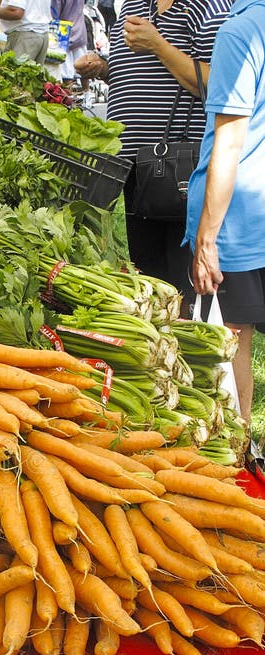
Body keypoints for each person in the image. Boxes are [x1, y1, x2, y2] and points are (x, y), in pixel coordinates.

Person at [74, 0, 232, 307]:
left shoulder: (208, 7)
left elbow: (218, 82)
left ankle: (195, 341)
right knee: (150, 276)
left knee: (184, 278)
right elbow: (134, 76)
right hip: (135, 166)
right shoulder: (132, 6)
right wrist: (103, 69)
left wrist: (158, 44)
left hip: (182, 168)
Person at [186, 0, 265, 423]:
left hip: (239, 219)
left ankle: (235, 456)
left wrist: (206, 238)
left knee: (228, 343)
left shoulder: (241, 31)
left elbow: (230, 140)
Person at [0, 0, 52, 66]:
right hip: (40, 33)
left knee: (15, 73)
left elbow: (16, 12)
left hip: (25, 35)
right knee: (32, 74)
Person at [54, 0, 88, 82]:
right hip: (80, 31)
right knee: (85, 70)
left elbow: (54, 14)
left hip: (64, 35)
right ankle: (86, 93)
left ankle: (69, 94)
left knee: (66, 74)